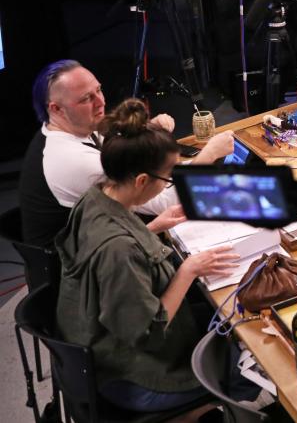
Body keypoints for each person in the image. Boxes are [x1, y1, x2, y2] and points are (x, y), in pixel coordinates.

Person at [55, 98, 241, 415]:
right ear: (142, 180)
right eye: (168, 177)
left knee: (217, 315)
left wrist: (152, 227)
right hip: (136, 377)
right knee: (248, 365)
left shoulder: (94, 197)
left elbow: (106, 254)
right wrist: (189, 270)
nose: (168, 182)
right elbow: (150, 334)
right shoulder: (118, 250)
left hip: (98, 349)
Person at [18, 60, 234, 249]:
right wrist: (206, 157)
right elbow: (164, 202)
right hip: (85, 275)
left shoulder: (73, 129)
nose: (101, 102)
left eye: (99, 90)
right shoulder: (76, 161)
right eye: (86, 99)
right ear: (56, 109)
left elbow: (138, 168)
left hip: (105, 241)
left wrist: (148, 132)